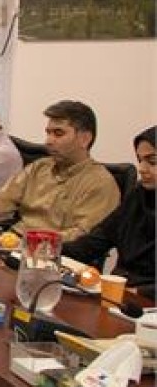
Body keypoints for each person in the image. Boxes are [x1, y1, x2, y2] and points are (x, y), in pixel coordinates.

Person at [0, 100, 119, 242]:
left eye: (58, 133)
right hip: (11, 243)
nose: (48, 141)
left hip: (51, 255)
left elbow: (81, 235)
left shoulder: (100, 183)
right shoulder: (39, 167)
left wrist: (32, 240)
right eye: (48, 133)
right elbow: (4, 198)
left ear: (84, 139)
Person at [64, 126, 155, 298]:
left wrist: (139, 292)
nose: (142, 168)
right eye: (140, 160)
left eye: (152, 162)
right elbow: (95, 242)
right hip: (115, 295)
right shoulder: (139, 196)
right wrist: (49, 249)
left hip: (146, 303)